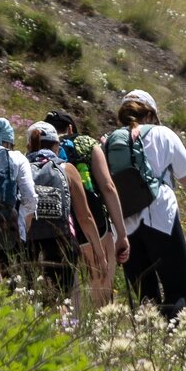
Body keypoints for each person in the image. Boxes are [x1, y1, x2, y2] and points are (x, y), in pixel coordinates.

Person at [104, 89, 186, 321]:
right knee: (178, 290)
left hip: (125, 223)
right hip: (161, 216)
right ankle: (172, 340)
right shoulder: (163, 134)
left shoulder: (110, 141)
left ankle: (149, 339)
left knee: (146, 296)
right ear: (150, 114)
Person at [44, 110, 132, 306]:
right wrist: (122, 234)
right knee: (101, 286)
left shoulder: (41, 149)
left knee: (68, 290)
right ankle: (100, 321)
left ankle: (71, 323)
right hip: (94, 223)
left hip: (58, 225)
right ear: (70, 128)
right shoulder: (86, 143)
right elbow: (108, 187)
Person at [25, 120, 106, 306]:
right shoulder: (67, 169)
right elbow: (85, 217)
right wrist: (99, 255)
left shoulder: (20, 167)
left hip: (29, 243)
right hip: (62, 243)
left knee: (29, 300)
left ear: (29, 145)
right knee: (60, 301)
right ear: (57, 145)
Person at [0, 117, 38, 271]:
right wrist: (25, 224)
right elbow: (30, 197)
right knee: (10, 279)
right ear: (6, 141)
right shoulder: (17, 158)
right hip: (9, 231)